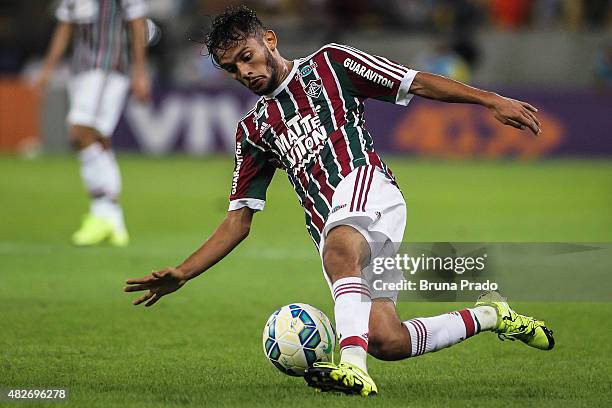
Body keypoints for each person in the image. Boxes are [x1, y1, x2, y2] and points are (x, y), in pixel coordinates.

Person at [124, 6, 553, 396]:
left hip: (368, 188)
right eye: (231, 68)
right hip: (336, 233)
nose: (244, 71)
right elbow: (238, 221)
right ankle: (492, 316)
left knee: (341, 243)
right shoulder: (253, 131)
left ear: (269, 40)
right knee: (386, 339)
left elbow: (415, 81)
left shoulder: (330, 64)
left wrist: (489, 99)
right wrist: (184, 271)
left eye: (247, 56)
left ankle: (351, 366)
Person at [35, 0, 151, 247]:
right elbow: (65, 27)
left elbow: (137, 23)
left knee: (79, 131)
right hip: (80, 69)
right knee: (98, 137)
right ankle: (112, 219)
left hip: (109, 67)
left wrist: (141, 72)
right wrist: (48, 68)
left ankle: (102, 210)